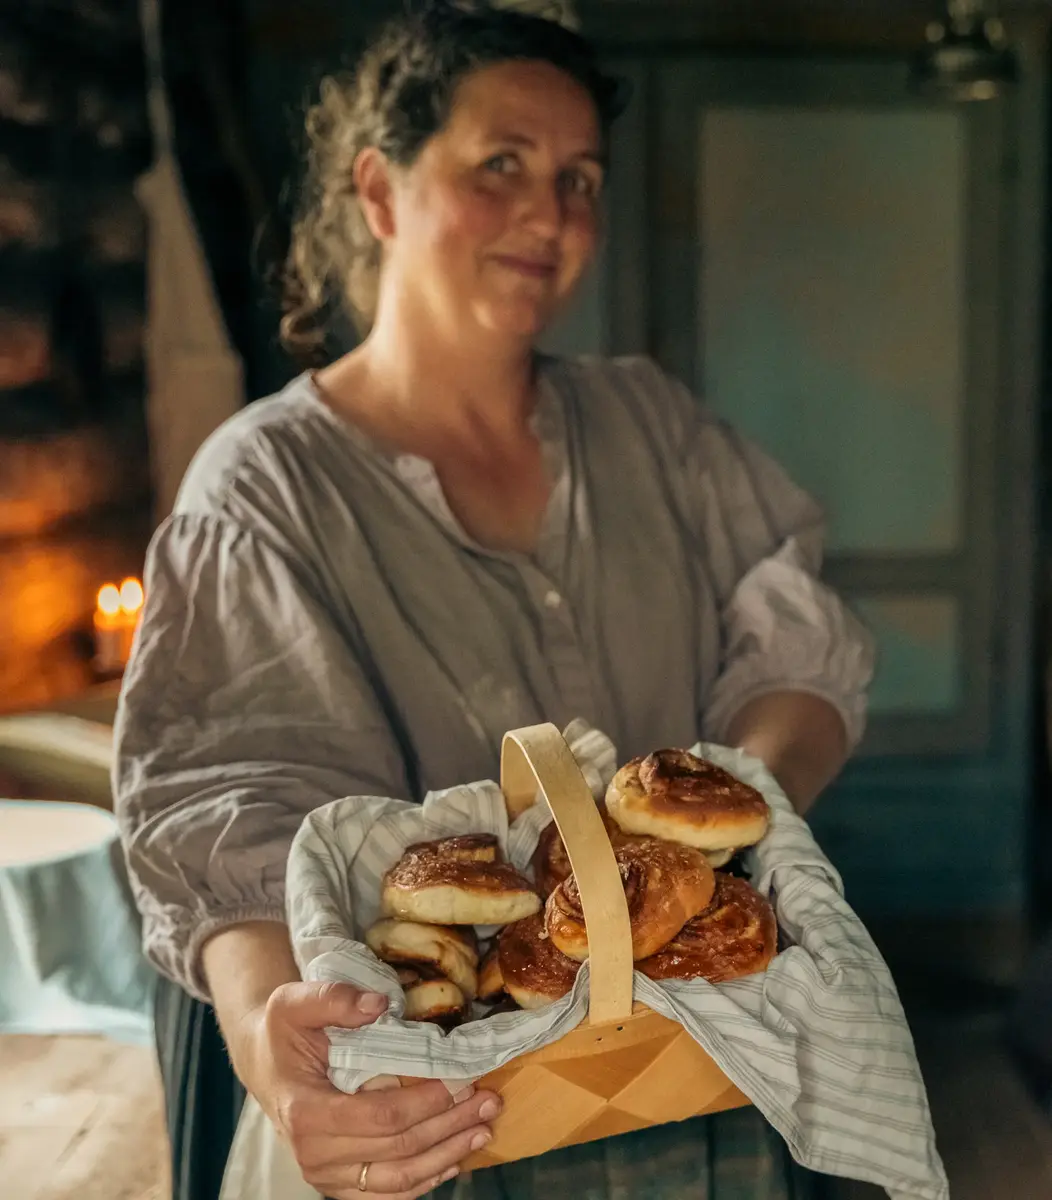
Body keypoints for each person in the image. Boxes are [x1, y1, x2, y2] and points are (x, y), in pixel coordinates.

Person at [112, 3, 875, 1199]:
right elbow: (228, 807)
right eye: (501, 165)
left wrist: (726, 830)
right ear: (378, 191)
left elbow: (797, 642)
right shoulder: (263, 489)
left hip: (689, 1076)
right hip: (433, 1120)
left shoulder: (649, 424)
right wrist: (272, 1040)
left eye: (579, 178)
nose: (550, 215)